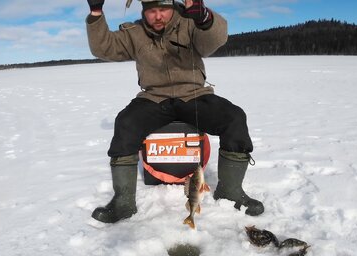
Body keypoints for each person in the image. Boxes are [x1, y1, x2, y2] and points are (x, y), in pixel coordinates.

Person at [86, 0, 264, 223]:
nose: (158, 16)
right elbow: (103, 47)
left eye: (163, 9)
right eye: (152, 11)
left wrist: (203, 17)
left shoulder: (190, 23)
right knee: (125, 123)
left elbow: (214, 40)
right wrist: (96, 13)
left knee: (234, 118)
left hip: (194, 95)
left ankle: (231, 193)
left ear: (173, 7)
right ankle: (123, 203)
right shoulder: (134, 33)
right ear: (143, 11)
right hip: (154, 97)